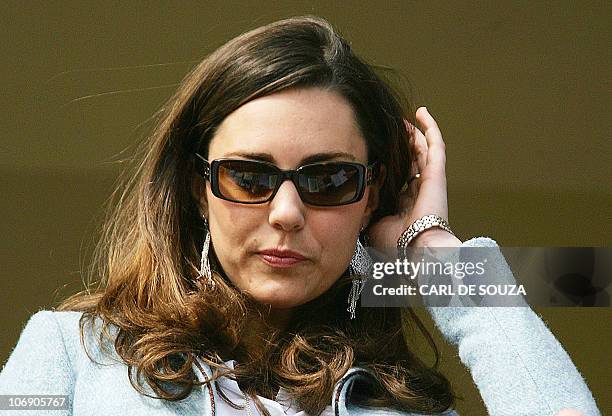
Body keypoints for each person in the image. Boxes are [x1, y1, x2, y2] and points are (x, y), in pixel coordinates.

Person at [0, 15, 600, 416]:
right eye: (249, 177)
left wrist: (435, 253)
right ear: (195, 187)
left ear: (371, 195)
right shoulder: (72, 355)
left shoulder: (405, 406)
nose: (286, 213)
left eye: (329, 180)